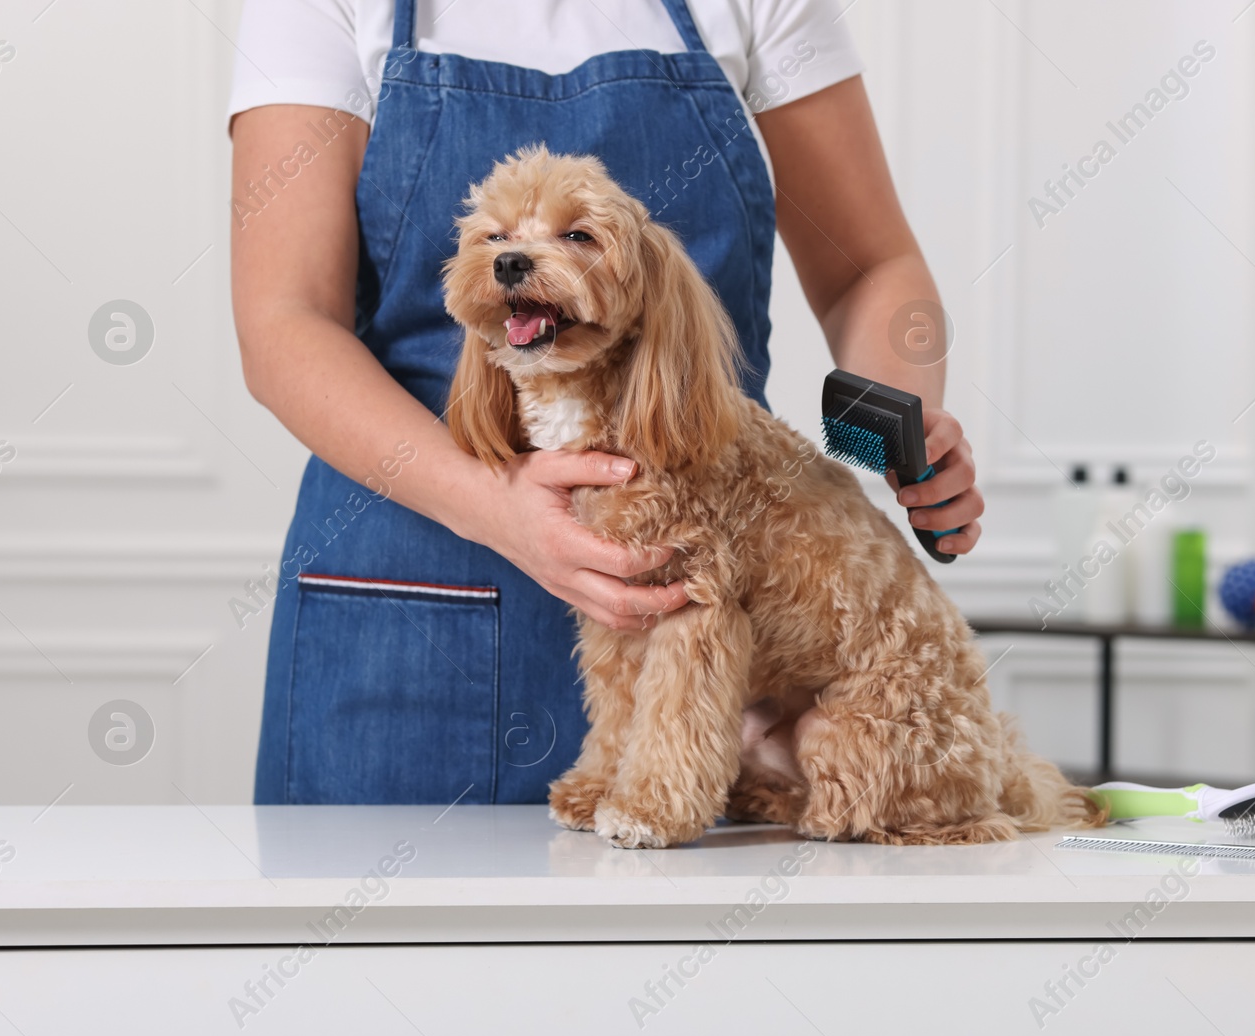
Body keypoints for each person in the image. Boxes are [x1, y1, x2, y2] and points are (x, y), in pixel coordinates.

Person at [228, 0, 986, 805]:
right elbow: (284, 323)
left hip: (709, 623)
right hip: (407, 614)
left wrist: (892, 426)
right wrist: (492, 502)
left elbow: (869, 265)